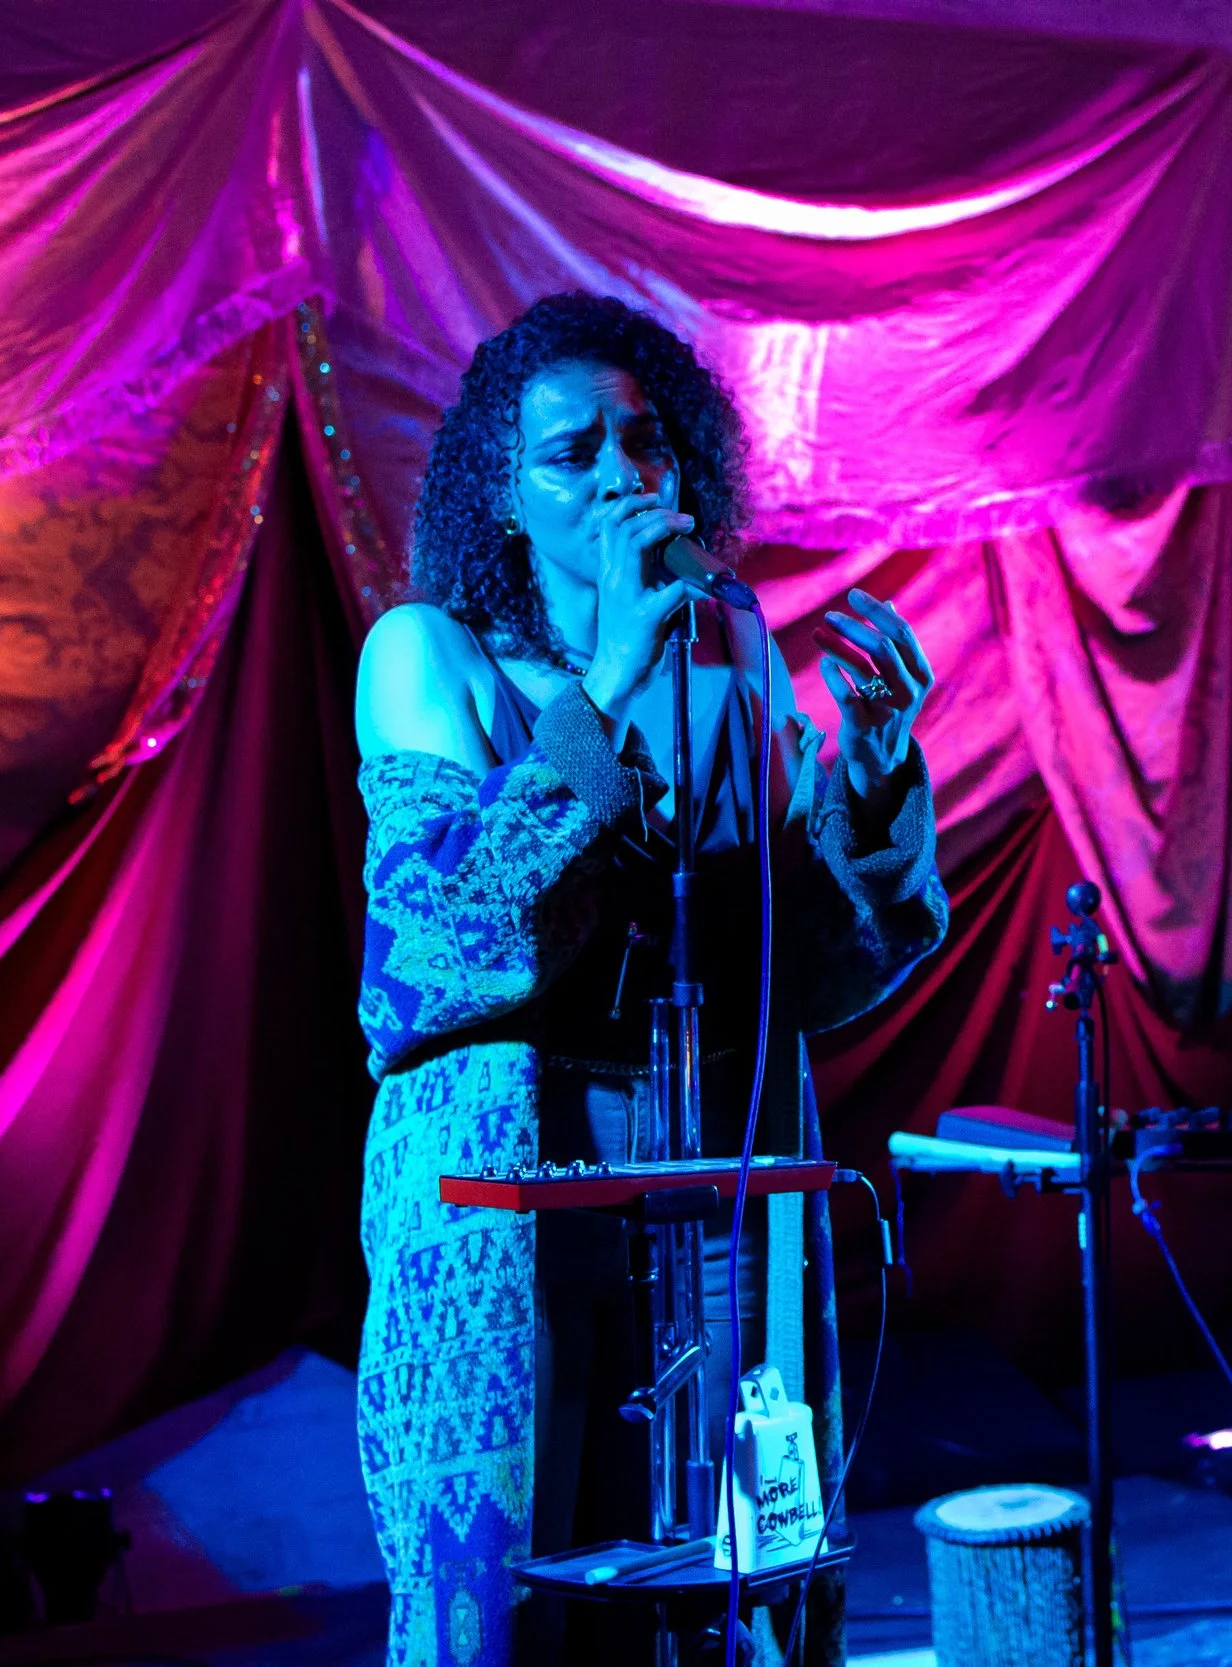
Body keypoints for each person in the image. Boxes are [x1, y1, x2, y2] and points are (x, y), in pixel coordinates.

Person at [352, 292, 947, 1667]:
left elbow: (808, 972)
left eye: (646, 441)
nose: (624, 474)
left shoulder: (728, 664)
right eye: (573, 453)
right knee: (521, 1589)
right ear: (504, 497)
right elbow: (435, 951)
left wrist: (867, 783)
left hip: (711, 1175)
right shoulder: (426, 655)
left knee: (737, 1572)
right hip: (509, 1187)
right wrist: (609, 681)